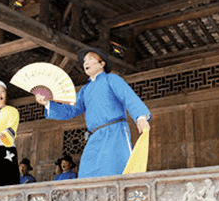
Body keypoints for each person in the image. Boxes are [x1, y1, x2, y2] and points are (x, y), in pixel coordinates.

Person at [36, 47, 150, 178]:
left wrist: (141, 117)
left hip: (114, 132)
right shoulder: (85, 89)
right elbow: (71, 110)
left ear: (102, 64)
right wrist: (47, 103)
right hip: (94, 136)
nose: (86, 63)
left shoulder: (112, 79)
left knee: (113, 170)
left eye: (90, 59)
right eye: (84, 61)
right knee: (86, 172)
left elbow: (128, 96)